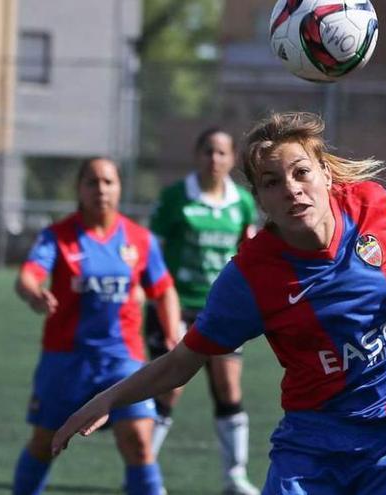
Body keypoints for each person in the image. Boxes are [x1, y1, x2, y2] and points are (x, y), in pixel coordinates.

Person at [52, 112, 386, 495]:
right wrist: (106, 398)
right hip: (312, 449)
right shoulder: (250, 276)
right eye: (272, 182)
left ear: (325, 173)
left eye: (301, 172)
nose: (291, 189)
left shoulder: (376, 206)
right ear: (260, 201)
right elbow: (181, 363)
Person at [13, 157, 181, 495]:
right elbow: (27, 277)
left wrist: (172, 332)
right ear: (79, 189)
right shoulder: (58, 237)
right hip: (66, 360)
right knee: (45, 442)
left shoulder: (139, 239)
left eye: (108, 182)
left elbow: (163, 290)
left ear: (119, 188)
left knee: (138, 443)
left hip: (122, 359)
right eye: (92, 182)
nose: (100, 189)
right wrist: (35, 294)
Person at [145, 127, 260, 495]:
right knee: (168, 389)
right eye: (208, 151)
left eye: (222, 153)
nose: (214, 159)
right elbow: (153, 255)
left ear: (232, 159)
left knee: (228, 388)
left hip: (221, 309)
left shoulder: (241, 202)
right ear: (196, 156)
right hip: (176, 306)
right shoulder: (175, 198)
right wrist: (161, 303)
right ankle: (143, 472)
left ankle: (235, 477)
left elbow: (250, 254)